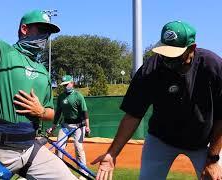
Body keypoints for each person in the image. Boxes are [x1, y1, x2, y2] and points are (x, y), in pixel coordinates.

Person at [0, 0, 77, 179]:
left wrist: (41, 111)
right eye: (42, 30)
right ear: (24, 29)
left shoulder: (43, 71)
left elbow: (52, 113)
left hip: (31, 149)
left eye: (48, 33)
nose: (45, 37)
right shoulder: (2, 52)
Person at [91, 20, 222, 180]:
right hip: (161, 138)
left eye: (173, 54)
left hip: (203, 141)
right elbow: (133, 115)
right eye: (164, 52)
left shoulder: (213, 66)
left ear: (191, 48)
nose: (166, 59)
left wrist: (213, 160)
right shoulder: (150, 69)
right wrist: (112, 154)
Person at [47, 75, 91, 178]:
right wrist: (53, 127)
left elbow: (85, 112)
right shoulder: (61, 97)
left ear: (72, 83)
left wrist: (87, 126)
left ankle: (84, 173)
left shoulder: (78, 96)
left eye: (67, 84)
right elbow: (58, 113)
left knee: (78, 148)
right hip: (65, 126)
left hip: (78, 126)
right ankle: (59, 172)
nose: (65, 86)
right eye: (64, 85)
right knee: (59, 147)